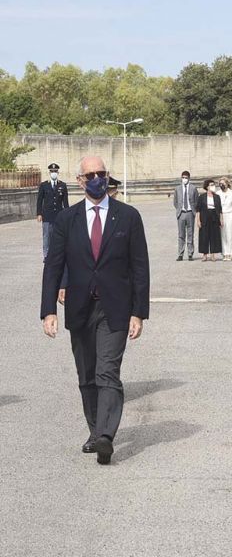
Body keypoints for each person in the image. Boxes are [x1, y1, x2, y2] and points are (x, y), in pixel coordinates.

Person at [40, 156, 150, 464]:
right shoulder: (67, 219)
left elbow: (140, 266)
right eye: (91, 175)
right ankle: (94, 432)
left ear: (108, 176)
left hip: (116, 308)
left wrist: (138, 311)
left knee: (107, 372)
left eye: (101, 173)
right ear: (80, 181)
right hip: (80, 307)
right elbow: (53, 266)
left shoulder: (128, 217)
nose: (97, 178)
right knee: (87, 375)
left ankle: (106, 436)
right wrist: (48, 310)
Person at [37, 163, 69, 260]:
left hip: (59, 215)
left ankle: (57, 254)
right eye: (52, 171)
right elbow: (39, 200)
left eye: (55, 171)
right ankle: (46, 255)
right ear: (49, 172)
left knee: (58, 236)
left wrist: (67, 214)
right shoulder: (44, 185)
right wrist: (39, 213)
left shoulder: (62, 185)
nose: (53, 173)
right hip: (47, 215)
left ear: (58, 172)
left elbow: (65, 201)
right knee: (47, 236)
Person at [173, 171, 198, 261]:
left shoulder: (193, 188)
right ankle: (180, 254)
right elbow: (175, 201)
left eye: (186, 177)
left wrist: (193, 210)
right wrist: (179, 209)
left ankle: (190, 254)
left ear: (189, 178)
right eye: (183, 177)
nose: (184, 179)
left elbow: (196, 201)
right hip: (181, 213)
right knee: (181, 234)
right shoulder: (177, 188)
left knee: (190, 234)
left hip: (190, 213)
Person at [196, 179, 223, 261]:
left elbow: (220, 210)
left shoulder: (217, 197)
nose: (213, 186)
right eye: (211, 185)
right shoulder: (202, 197)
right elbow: (198, 210)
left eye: (213, 185)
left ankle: (213, 254)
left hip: (214, 216)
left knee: (214, 235)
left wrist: (221, 219)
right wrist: (198, 220)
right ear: (207, 187)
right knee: (204, 236)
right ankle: (204, 254)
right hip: (204, 217)